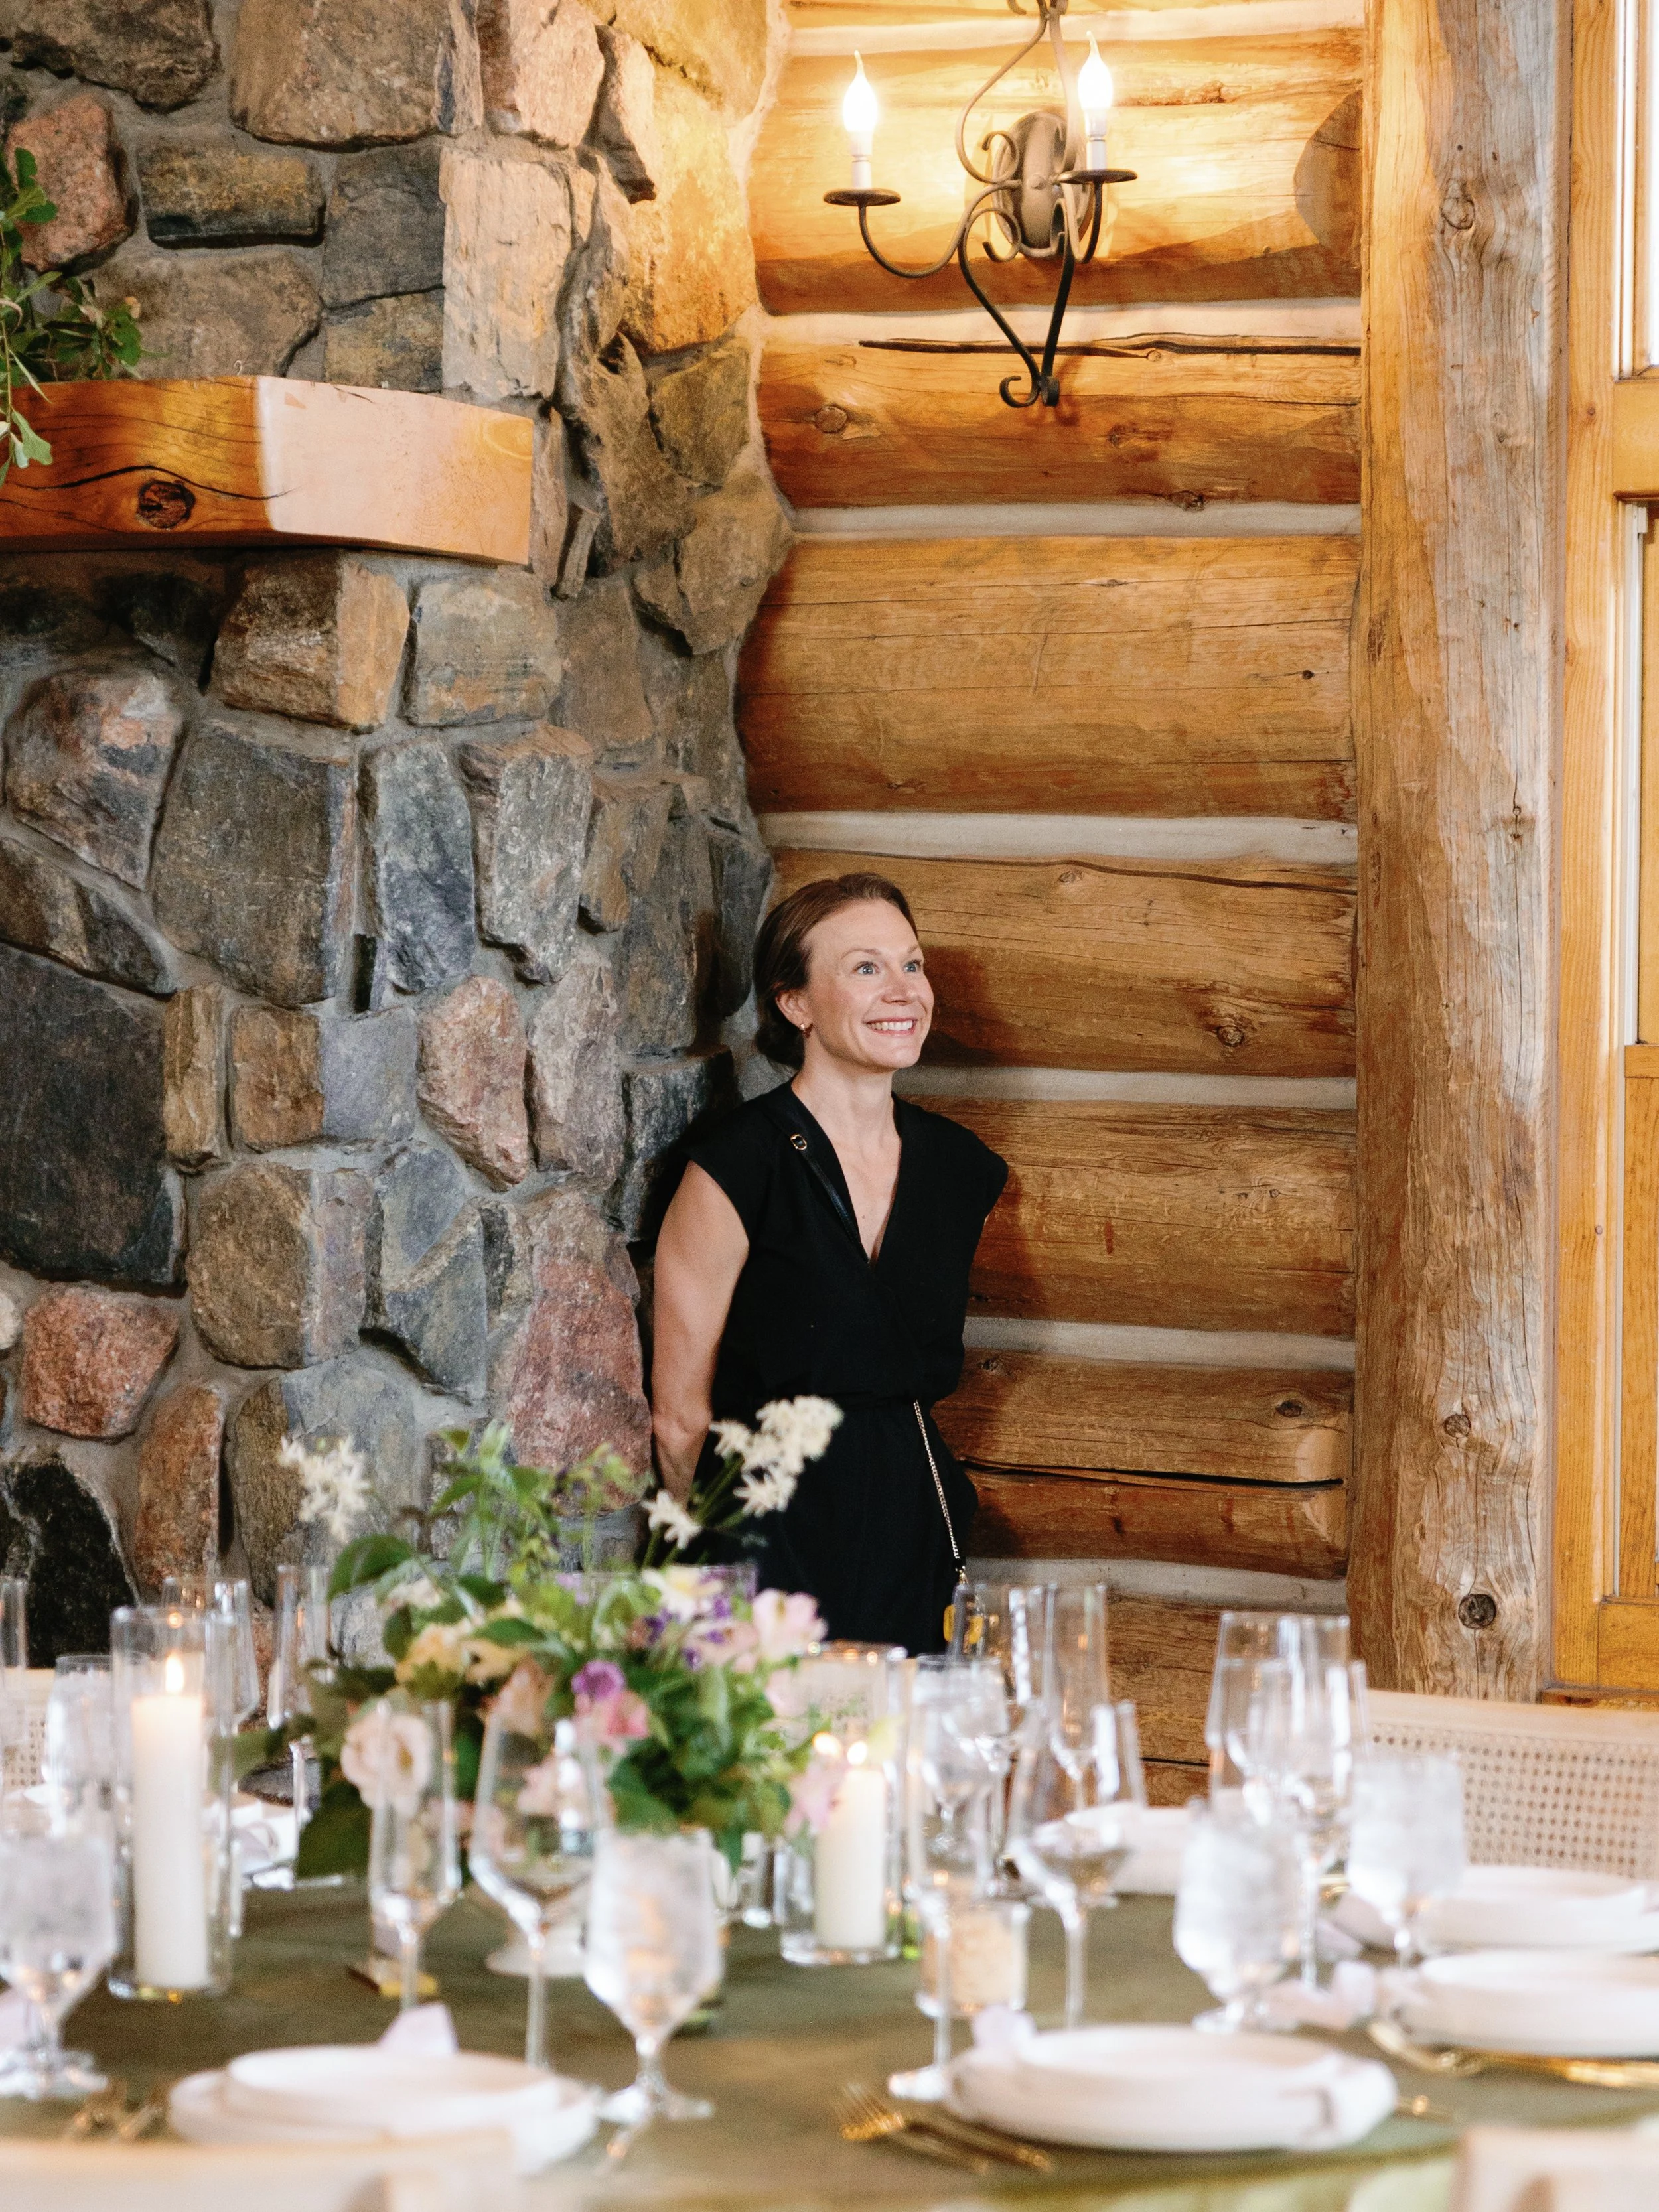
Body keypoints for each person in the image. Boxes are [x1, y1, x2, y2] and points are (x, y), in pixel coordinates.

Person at [649, 872, 1008, 1655]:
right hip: (767, 1534)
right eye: (865, 968)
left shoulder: (961, 1168)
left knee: (908, 1765)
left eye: (911, 965)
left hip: (913, 1525)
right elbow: (679, 1419)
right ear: (795, 1003)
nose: (902, 991)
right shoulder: (733, 1168)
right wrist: (708, 1567)